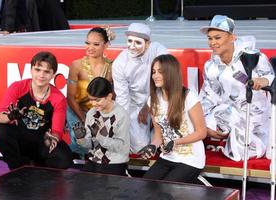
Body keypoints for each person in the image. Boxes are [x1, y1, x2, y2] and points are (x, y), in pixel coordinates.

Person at [198, 15, 275, 161]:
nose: (212, 42)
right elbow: (208, 96)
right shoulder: (210, 66)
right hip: (228, 113)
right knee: (193, 121)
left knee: (238, 154)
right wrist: (203, 125)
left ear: (232, 37)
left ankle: (254, 142)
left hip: (253, 118)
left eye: (217, 38)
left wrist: (261, 80)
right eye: (210, 38)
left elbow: (271, 77)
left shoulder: (253, 57)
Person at [0, 51, 73, 170]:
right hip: (21, 138)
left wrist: (52, 138)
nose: (41, 75)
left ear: (53, 74)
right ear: (31, 70)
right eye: (37, 69)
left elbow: (57, 131)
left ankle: (37, 165)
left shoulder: (58, 98)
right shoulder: (17, 87)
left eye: (46, 72)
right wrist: (10, 116)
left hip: (41, 140)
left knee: (64, 159)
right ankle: (18, 167)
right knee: (0, 131)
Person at [140, 54, 207, 184]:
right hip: (168, 156)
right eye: (154, 72)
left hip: (191, 159)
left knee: (167, 189)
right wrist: (152, 146)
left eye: (161, 72)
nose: (155, 76)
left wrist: (176, 142)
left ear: (171, 73)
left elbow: (201, 132)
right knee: (146, 185)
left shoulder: (189, 97)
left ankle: (197, 183)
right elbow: (159, 135)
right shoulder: (152, 100)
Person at [112, 22, 168, 153]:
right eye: (129, 41)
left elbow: (169, 78)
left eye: (137, 42)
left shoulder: (158, 50)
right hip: (134, 105)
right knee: (139, 147)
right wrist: (122, 123)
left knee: (167, 139)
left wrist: (149, 105)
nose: (132, 46)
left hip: (160, 100)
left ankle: (158, 133)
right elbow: (123, 98)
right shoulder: (120, 63)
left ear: (148, 43)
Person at [67, 26, 115, 159]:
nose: (90, 47)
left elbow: (113, 96)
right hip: (78, 112)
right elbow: (70, 97)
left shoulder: (112, 67)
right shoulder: (76, 65)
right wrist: (84, 119)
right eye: (87, 43)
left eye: (96, 44)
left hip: (101, 112)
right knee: (81, 145)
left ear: (106, 45)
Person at [76, 77, 130, 176]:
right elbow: (90, 144)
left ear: (109, 96)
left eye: (97, 100)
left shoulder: (121, 115)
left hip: (115, 163)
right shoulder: (91, 113)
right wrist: (81, 139)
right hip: (94, 161)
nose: (93, 104)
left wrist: (100, 137)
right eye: (91, 100)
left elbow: (121, 147)